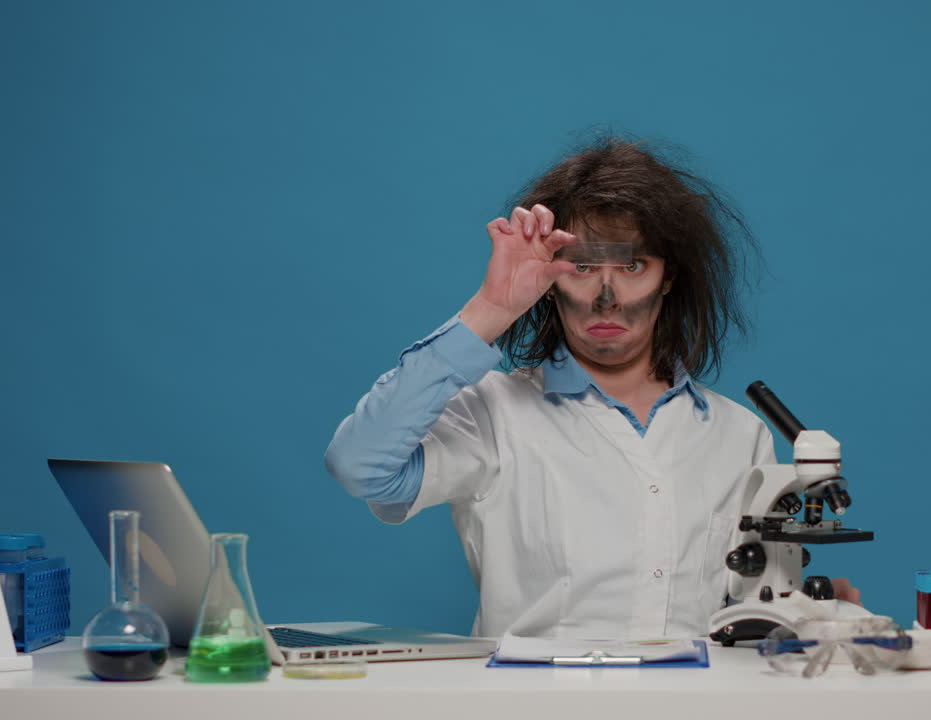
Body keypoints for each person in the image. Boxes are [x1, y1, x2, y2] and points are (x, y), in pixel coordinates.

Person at [325, 137, 853, 639]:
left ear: (669, 277)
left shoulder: (739, 434)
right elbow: (360, 466)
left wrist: (807, 615)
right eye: (580, 266)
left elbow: (745, 607)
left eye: (632, 265)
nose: (607, 297)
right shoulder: (493, 413)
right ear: (550, 280)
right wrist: (493, 308)